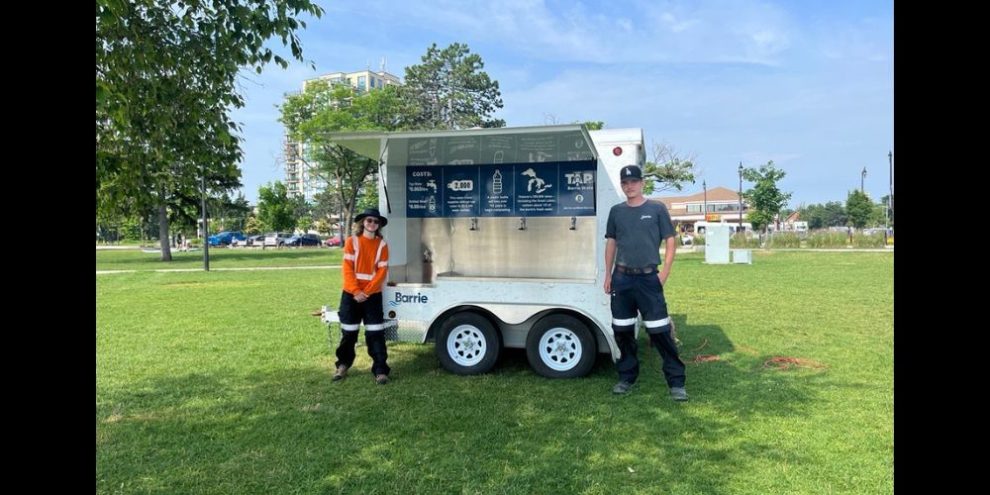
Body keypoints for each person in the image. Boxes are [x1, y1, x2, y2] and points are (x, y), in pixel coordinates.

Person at [603, 165, 688, 401]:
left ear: (642, 183)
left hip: (648, 279)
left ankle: (676, 382)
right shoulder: (616, 212)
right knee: (622, 330)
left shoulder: (657, 209)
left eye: (633, 182)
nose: (629, 186)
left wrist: (665, 273)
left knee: (659, 331)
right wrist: (608, 275)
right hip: (622, 279)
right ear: (622, 186)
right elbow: (611, 243)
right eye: (625, 183)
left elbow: (670, 241)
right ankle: (627, 377)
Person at [332, 208, 392, 385]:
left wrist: (367, 291)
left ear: (379, 225)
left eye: (376, 221)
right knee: (349, 333)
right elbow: (347, 268)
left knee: (376, 333)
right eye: (369, 221)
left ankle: (380, 370)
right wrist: (356, 291)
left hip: (372, 296)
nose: (372, 224)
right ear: (362, 223)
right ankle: (342, 365)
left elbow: (382, 271)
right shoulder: (352, 242)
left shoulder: (382, 245)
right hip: (352, 295)